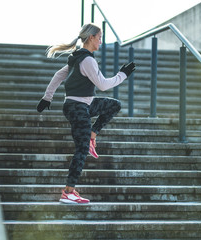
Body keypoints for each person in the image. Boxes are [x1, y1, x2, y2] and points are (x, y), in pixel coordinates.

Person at [36, 23, 136, 204]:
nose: (101, 41)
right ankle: (68, 192)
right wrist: (122, 75)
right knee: (81, 149)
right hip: (77, 107)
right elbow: (103, 85)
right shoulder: (87, 60)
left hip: (83, 104)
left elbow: (59, 75)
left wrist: (47, 98)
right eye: (99, 37)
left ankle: (92, 134)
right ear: (91, 38)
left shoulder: (77, 58)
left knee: (114, 105)